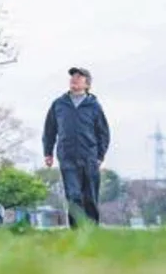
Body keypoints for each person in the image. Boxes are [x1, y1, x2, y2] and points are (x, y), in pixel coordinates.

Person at [42, 66, 110, 228]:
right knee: (73, 195)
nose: (74, 79)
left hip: (90, 157)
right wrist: (48, 152)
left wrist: (100, 155)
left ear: (87, 84)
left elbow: (103, 132)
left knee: (90, 197)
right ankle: (76, 231)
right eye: (73, 77)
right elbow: (50, 129)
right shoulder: (59, 104)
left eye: (79, 77)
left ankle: (92, 231)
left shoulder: (94, 106)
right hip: (67, 156)